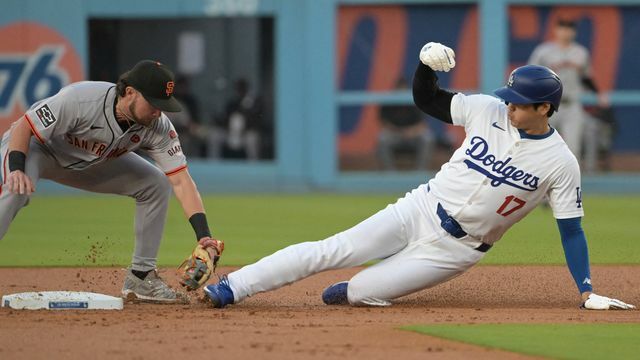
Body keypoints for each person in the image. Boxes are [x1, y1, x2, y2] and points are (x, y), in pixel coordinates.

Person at [201, 42, 635, 311]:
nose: (510, 106)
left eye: (521, 103)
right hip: (419, 207)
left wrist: (586, 289)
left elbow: (571, 231)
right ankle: (233, 287)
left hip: (456, 250)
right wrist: (426, 67)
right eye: (511, 98)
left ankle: (358, 289)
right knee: (332, 248)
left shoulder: (560, 162)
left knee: (353, 293)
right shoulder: (487, 109)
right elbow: (427, 100)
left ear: (545, 109)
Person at [0, 60, 223, 303]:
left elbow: (181, 180)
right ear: (130, 93)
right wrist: (16, 169)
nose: (159, 111)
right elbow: (25, 125)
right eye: (154, 103)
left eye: (164, 105)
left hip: (88, 163)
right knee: (16, 190)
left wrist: (204, 236)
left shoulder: (157, 127)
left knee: (155, 184)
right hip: (35, 148)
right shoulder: (81, 99)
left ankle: (141, 278)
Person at [528, 18, 608, 163]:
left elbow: (586, 77)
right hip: (547, 104)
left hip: (571, 104)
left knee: (573, 147)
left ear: (574, 32)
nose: (566, 32)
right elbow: (531, 74)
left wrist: (598, 94)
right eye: (562, 28)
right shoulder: (543, 51)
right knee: (541, 144)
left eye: (569, 29)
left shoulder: (580, 52)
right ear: (556, 30)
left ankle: (569, 182)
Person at [377, 78, 435, 171]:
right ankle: (390, 172)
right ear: (395, 89)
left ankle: (420, 171)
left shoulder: (415, 101)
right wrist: (398, 131)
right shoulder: (389, 102)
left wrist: (411, 131)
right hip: (394, 134)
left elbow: (422, 124)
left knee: (427, 138)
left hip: (413, 135)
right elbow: (384, 122)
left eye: (403, 89)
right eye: (399, 89)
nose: (401, 92)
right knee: (382, 138)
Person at [207, 78, 263, 160]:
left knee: (252, 138)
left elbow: (256, 121)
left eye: (243, 88)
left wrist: (245, 113)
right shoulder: (232, 103)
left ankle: (253, 167)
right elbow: (225, 120)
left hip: (245, 135)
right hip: (230, 134)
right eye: (239, 88)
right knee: (214, 135)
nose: (241, 90)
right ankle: (213, 164)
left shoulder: (253, 103)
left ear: (247, 89)